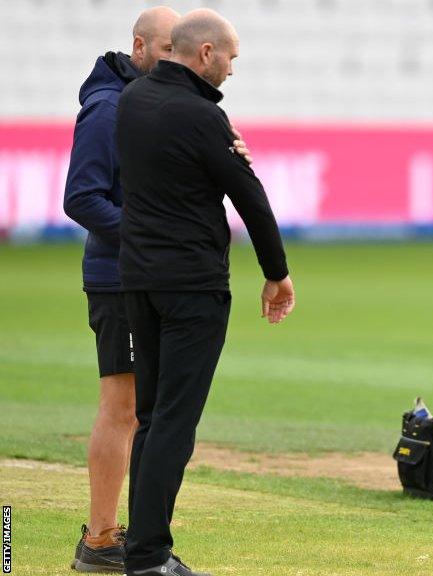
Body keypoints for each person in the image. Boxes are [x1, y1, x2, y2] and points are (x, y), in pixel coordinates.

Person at [116, 9, 295, 575]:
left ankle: (138, 547)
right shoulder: (202, 117)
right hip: (191, 287)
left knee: (150, 417)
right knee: (174, 422)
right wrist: (277, 271)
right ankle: (148, 556)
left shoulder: (132, 100)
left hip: (138, 280)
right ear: (205, 54)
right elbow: (250, 195)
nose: (233, 71)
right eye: (231, 59)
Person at [63, 7, 179, 572]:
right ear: (138, 46)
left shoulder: (148, 102)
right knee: (123, 406)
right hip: (117, 278)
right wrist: (148, 233)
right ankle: (101, 539)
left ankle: (117, 532)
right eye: (164, 49)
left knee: (141, 408)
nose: (173, 60)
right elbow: (81, 198)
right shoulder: (109, 108)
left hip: (147, 272)